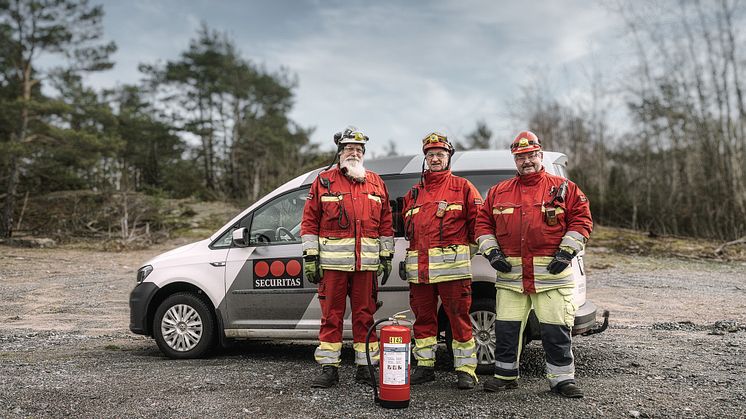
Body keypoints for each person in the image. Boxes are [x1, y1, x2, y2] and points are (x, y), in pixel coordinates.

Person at [474, 130, 593, 398]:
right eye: (520, 157)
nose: (526, 161)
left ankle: (562, 380)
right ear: (514, 160)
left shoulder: (565, 188)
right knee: (506, 330)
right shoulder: (498, 192)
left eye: (531, 155)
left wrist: (566, 253)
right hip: (512, 277)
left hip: (553, 276)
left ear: (540, 155)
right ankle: (505, 376)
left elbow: (582, 221)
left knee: (556, 331)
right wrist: (492, 254)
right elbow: (482, 225)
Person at [301, 126, 395, 388]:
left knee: (365, 315)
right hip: (332, 267)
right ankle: (329, 368)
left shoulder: (376, 183)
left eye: (358, 149)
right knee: (331, 316)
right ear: (340, 153)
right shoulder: (324, 181)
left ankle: (366, 367)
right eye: (349, 149)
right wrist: (311, 257)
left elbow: (386, 223)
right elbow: (309, 222)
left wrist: (386, 256)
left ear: (363, 154)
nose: (354, 153)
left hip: (366, 265)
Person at [400, 132, 483, 390]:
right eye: (430, 155)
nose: (435, 159)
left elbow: (478, 225)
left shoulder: (463, 187)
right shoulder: (412, 194)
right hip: (420, 274)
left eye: (440, 154)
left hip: (453, 271)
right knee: (423, 320)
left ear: (449, 158)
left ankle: (466, 370)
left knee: (459, 319)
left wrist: (465, 252)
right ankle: (425, 367)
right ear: (425, 159)